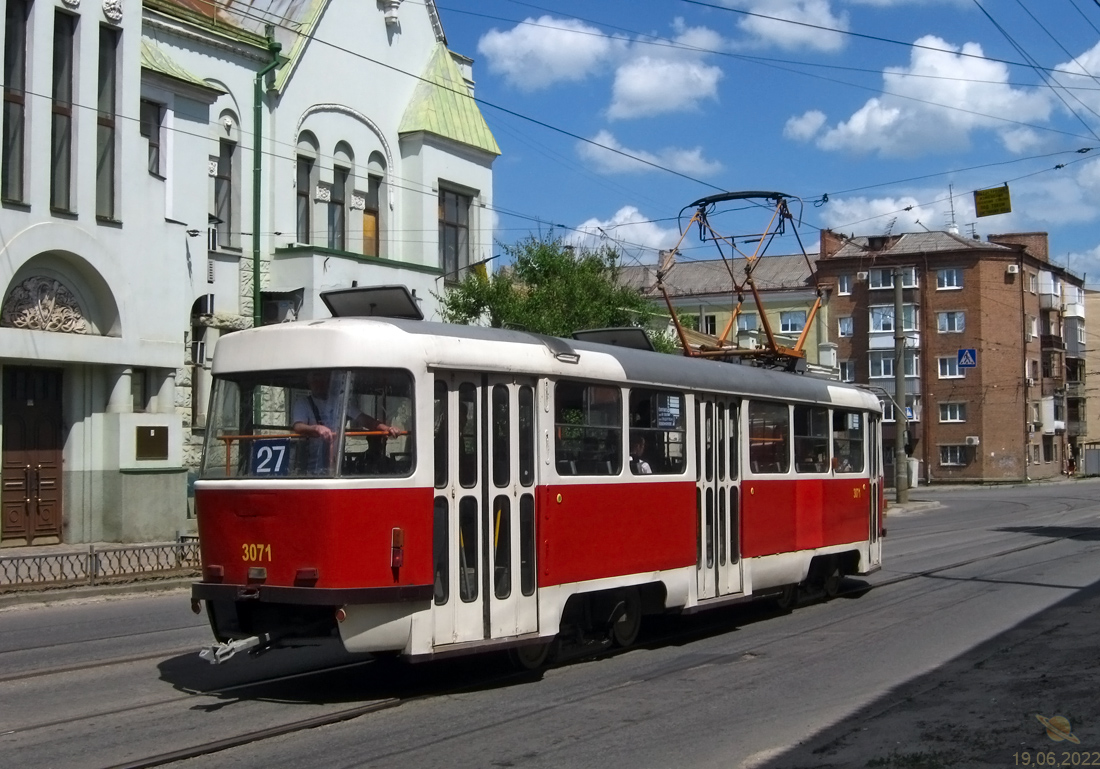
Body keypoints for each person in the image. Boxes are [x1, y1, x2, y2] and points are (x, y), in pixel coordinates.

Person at [292, 371, 399, 472]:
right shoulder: (303, 404)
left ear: (329, 381)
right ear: (309, 382)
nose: (318, 382)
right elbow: (298, 426)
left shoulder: (340, 403)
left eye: (321, 378)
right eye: (314, 379)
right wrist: (316, 428)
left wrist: (387, 428)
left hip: (335, 462)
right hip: (310, 466)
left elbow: (365, 420)